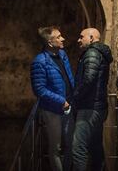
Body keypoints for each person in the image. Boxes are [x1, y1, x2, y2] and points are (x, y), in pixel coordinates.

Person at [30, 26, 75, 171]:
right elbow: (39, 90)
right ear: (50, 42)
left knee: (71, 144)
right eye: (59, 37)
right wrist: (61, 101)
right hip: (53, 110)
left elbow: (69, 79)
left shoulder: (62, 54)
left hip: (69, 107)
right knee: (56, 148)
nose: (63, 39)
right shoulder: (39, 61)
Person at [71, 28, 113, 171]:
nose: (79, 39)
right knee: (95, 147)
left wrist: (74, 96)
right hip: (97, 106)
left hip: (89, 108)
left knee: (78, 149)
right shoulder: (99, 53)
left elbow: (88, 80)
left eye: (81, 37)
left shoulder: (92, 53)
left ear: (91, 38)